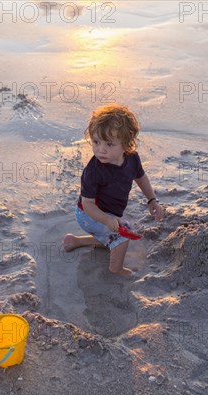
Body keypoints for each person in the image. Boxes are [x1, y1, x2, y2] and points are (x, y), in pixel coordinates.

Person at [62, 104, 164, 276]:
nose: (101, 149)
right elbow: (87, 204)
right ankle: (115, 269)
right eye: (96, 142)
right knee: (122, 236)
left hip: (106, 212)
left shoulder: (132, 158)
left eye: (109, 144)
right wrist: (106, 219)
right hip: (88, 214)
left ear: (126, 144)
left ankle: (76, 241)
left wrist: (152, 199)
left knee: (110, 234)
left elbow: (140, 177)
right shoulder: (93, 171)